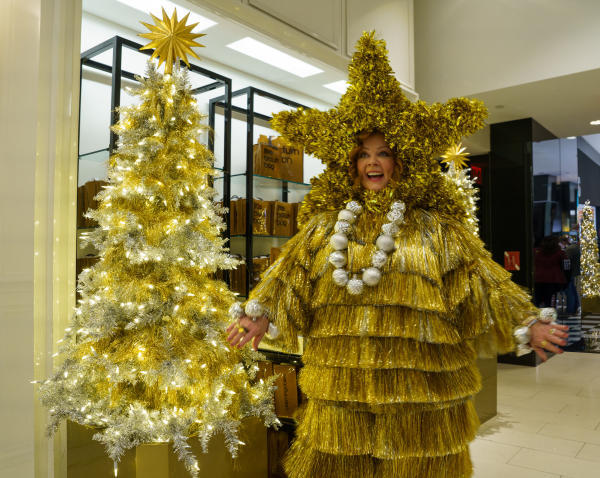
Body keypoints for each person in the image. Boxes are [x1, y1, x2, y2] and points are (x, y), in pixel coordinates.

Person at [226, 32, 569, 478]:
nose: (373, 162)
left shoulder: (433, 227)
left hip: (420, 389)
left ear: (400, 160)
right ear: (351, 162)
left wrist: (527, 320)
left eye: (383, 153)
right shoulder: (326, 225)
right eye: (364, 154)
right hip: (342, 385)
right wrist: (261, 312)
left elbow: (482, 278)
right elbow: (288, 274)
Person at [534, 235, 567, 307]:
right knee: (549, 300)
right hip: (554, 279)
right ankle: (549, 311)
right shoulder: (560, 253)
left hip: (539, 279)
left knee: (538, 300)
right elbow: (566, 266)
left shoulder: (538, 253)